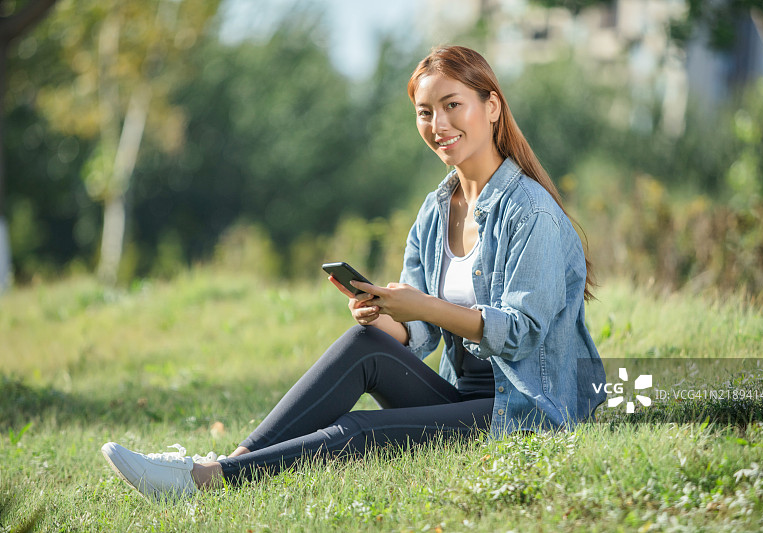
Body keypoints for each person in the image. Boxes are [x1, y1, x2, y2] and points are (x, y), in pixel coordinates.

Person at [101, 45, 606, 501]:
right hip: (464, 394)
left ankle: (207, 480)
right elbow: (422, 333)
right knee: (363, 345)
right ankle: (222, 466)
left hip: (524, 410)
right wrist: (385, 315)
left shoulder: (530, 212)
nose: (439, 124)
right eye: (425, 112)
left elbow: (521, 332)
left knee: (359, 431)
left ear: (490, 107)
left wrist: (422, 305)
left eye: (454, 104)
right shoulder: (435, 212)